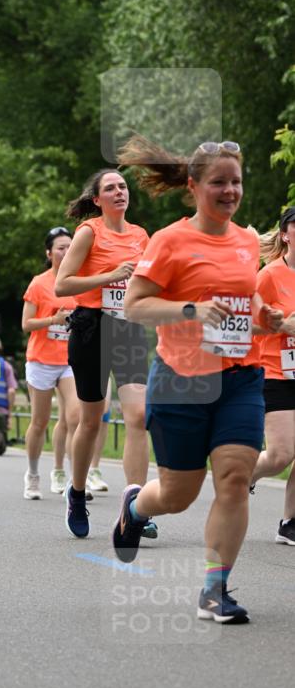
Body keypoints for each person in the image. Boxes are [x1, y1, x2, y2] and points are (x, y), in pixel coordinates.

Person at [111, 136, 282, 625]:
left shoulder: (249, 240)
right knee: (178, 495)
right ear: (193, 186)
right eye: (219, 182)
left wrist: (261, 317)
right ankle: (136, 508)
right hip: (181, 378)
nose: (230, 191)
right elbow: (134, 305)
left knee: (232, 479)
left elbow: (244, 305)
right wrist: (193, 310)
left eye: (237, 182)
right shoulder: (169, 241)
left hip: (240, 376)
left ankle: (215, 588)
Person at [55, 170, 156, 538]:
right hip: (91, 327)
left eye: (123, 187)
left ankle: (137, 506)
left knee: (139, 415)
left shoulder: (140, 235)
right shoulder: (88, 232)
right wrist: (109, 275)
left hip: (127, 327)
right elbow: (62, 284)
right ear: (97, 199)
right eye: (110, 188)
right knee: (91, 420)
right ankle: (77, 493)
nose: (119, 192)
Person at [22, 226, 98, 500]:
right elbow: (26, 324)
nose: (66, 251)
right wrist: (52, 321)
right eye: (60, 247)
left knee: (76, 417)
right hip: (41, 359)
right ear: (49, 252)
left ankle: (69, 476)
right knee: (40, 421)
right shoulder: (39, 283)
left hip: (69, 359)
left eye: (70, 246)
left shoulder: (78, 282)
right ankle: (32, 475)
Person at [251, 206, 295, 544]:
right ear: (284, 234)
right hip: (275, 370)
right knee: (281, 454)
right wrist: (283, 324)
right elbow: (252, 325)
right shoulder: (269, 275)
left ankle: (289, 523)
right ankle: (243, 477)